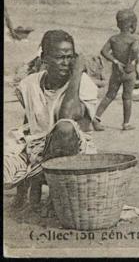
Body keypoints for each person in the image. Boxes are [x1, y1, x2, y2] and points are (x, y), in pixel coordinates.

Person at [4, 30, 98, 213]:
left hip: (75, 153)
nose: (66, 63)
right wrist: (22, 187)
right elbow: (30, 123)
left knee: (64, 128)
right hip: (39, 149)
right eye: (60, 57)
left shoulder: (83, 84)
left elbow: (66, 117)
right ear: (44, 58)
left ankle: (55, 194)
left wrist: (77, 73)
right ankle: (30, 182)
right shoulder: (30, 84)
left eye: (70, 57)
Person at [93, 10, 139, 131]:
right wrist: (131, 61)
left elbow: (104, 51)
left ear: (118, 24)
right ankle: (126, 123)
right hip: (129, 72)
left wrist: (115, 61)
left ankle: (96, 117)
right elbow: (135, 50)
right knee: (127, 97)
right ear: (132, 24)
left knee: (110, 95)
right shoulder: (134, 39)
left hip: (117, 72)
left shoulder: (114, 39)